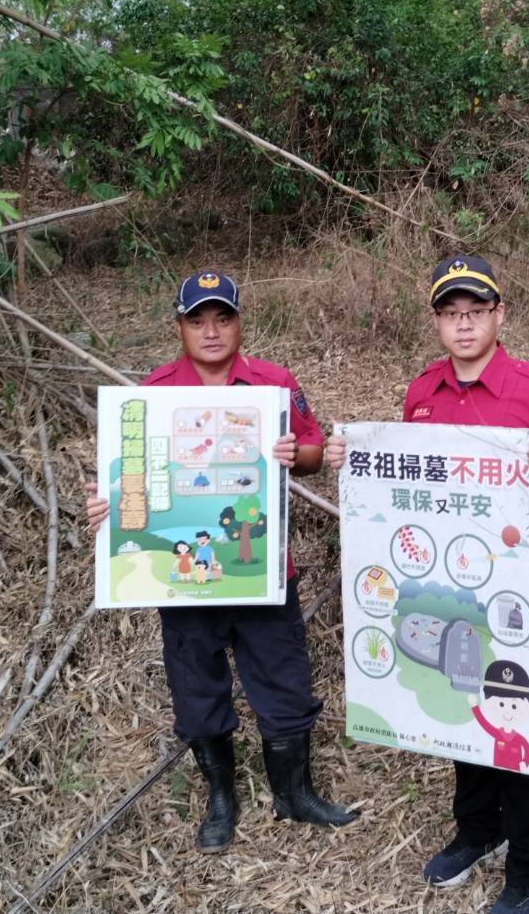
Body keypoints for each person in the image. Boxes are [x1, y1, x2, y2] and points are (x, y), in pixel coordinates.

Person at [327, 254, 529, 914]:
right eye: (450, 313)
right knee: (458, 708)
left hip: (509, 596)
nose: (464, 324)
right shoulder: (422, 394)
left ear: (500, 314)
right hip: (443, 589)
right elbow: (401, 483)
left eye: (476, 311)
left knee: (518, 719)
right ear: (437, 322)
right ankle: (478, 830)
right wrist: (350, 460)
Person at [86, 270, 357, 854]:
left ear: (239, 321)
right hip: (185, 582)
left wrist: (295, 453)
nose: (211, 331)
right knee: (196, 687)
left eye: (222, 317)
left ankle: (294, 794)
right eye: (197, 320)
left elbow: (313, 453)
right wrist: (109, 505)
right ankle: (221, 799)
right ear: (179, 327)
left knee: (283, 680)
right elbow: (131, 477)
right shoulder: (153, 393)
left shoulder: (273, 384)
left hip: (263, 570)